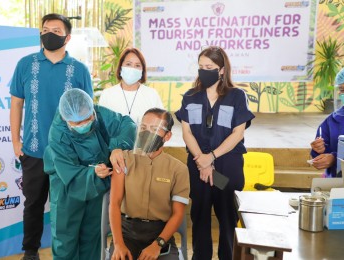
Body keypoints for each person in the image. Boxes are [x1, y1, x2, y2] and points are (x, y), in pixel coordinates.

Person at [9, 13, 93, 260]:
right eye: (45, 29)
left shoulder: (79, 70)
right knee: (33, 205)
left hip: (68, 153)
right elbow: (16, 104)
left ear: (67, 37)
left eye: (55, 30)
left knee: (67, 207)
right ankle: (31, 251)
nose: (48, 33)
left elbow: (87, 111)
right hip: (34, 150)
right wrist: (16, 141)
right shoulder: (26, 64)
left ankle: (67, 251)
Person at [175, 46, 255, 260]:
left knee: (227, 216)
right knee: (199, 215)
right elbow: (187, 132)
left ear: (221, 70)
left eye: (209, 67)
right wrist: (203, 161)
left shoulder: (237, 96)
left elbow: (237, 133)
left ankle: (228, 256)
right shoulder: (190, 96)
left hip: (226, 168)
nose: (204, 71)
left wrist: (211, 158)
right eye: (201, 67)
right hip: (198, 165)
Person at [43, 88, 136, 260]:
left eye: (87, 120)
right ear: (66, 120)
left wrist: (118, 147)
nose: (83, 125)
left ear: (92, 110)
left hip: (97, 185)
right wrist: (92, 174)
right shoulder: (58, 133)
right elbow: (68, 172)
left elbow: (127, 124)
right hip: (67, 186)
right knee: (65, 238)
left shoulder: (99, 114)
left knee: (92, 234)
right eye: (76, 124)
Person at [109, 108, 190, 260]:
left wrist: (157, 245)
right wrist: (118, 244)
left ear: (167, 136)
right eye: (144, 127)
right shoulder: (124, 160)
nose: (147, 133)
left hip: (160, 235)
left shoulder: (178, 170)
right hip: (127, 233)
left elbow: (178, 213)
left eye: (155, 129)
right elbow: (114, 203)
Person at [98, 47, 164, 123]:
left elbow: (161, 123)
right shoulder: (107, 94)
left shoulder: (152, 94)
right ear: (120, 67)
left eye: (137, 65)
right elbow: (101, 125)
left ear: (142, 70)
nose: (132, 69)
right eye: (128, 64)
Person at [310, 68, 344, 177]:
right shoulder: (333, 120)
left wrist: (335, 157)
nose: (340, 94)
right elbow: (323, 150)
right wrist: (320, 151)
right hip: (337, 185)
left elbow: (334, 156)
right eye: (341, 90)